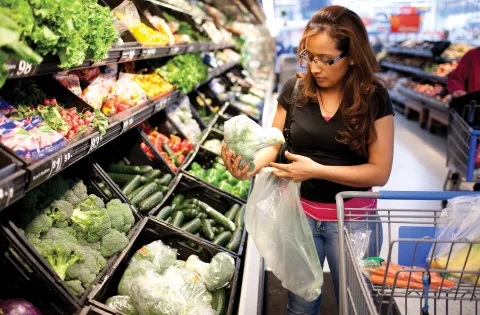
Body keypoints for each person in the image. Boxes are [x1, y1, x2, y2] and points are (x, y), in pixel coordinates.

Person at [221, 5, 394, 315]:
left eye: (327, 60)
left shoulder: (374, 98)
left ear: (352, 56)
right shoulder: (295, 89)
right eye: (309, 57)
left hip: (355, 225)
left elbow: (379, 172)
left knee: (356, 304)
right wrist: (248, 168)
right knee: (300, 303)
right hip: (300, 218)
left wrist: (317, 170)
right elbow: (272, 143)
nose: (315, 68)